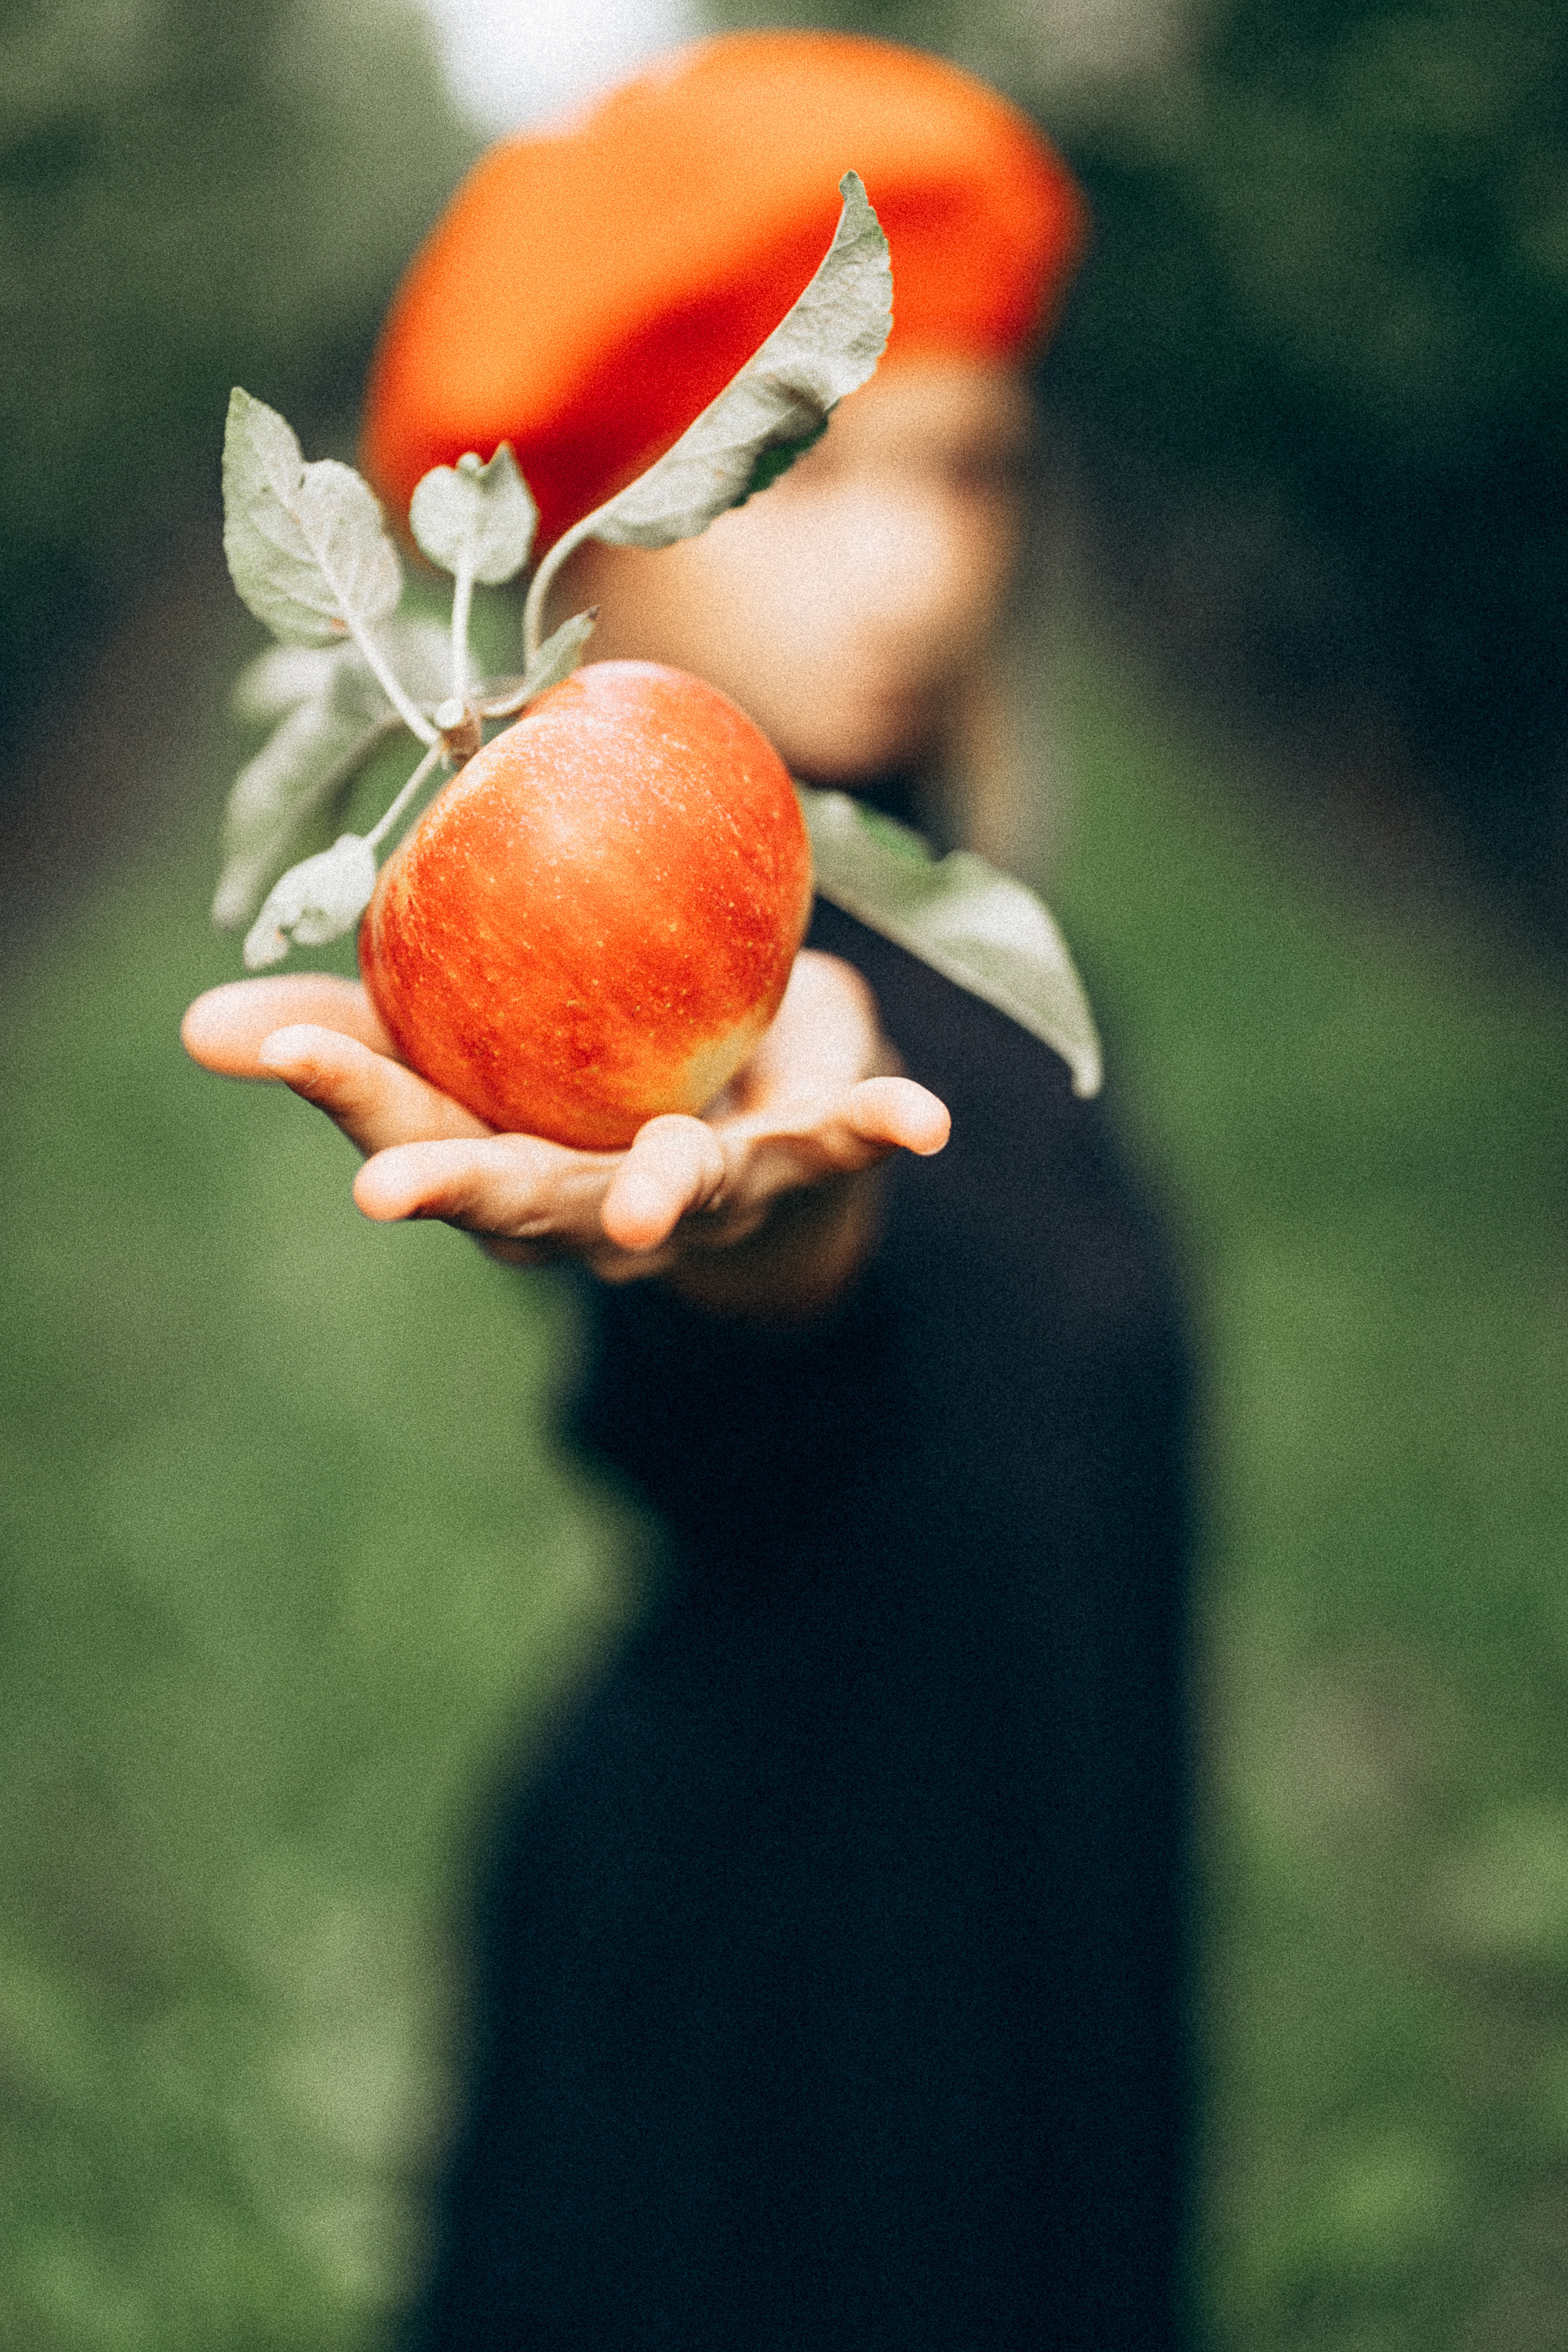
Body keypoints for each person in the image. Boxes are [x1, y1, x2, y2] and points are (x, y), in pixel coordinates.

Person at [183, 32, 1194, 2347]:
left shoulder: (924, 897)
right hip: (782, 2043)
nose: (925, 566)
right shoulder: (693, 956)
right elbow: (757, 1360)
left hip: (1032, 1941)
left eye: (975, 470)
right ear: (605, 524)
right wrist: (759, 1242)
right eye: (811, 482)